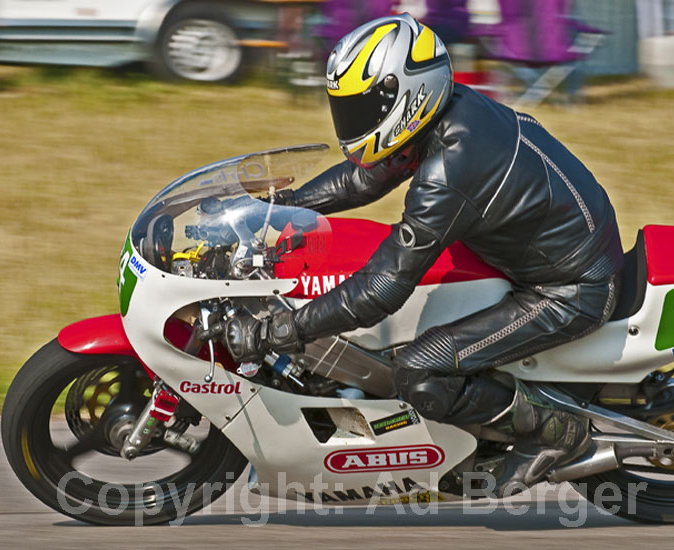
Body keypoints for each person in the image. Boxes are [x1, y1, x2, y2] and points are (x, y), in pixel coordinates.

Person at [223, 13, 623, 494]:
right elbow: (362, 177)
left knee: (419, 369)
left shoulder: (452, 168)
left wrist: (283, 329)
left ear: (406, 96)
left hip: (568, 289)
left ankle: (556, 433)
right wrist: (280, 209)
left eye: (365, 106)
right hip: (543, 249)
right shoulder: (447, 111)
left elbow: (381, 288)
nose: (353, 120)